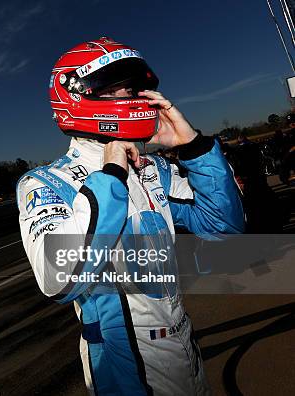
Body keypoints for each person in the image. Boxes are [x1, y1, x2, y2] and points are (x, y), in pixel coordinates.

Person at [16, 37, 244, 395]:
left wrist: (194, 147)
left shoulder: (155, 169)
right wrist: (111, 178)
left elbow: (223, 227)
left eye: (131, 89)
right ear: (76, 97)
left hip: (185, 343)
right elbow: (57, 278)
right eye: (113, 89)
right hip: (121, 362)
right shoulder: (46, 182)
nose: (130, 98)